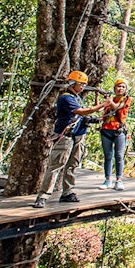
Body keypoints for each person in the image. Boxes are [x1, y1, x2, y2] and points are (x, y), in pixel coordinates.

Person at [33, 70, 109, 208]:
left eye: (84, 84)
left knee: (72, 165)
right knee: (56, 165)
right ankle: (43, 195)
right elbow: (81, 112)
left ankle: (67, 192)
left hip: (78, 135)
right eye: (81, 84)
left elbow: (85, 113)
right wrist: (103, 104)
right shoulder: (66, 98)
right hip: (66, 136)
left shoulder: (77, 98)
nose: (82, 87)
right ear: (73, 83)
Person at [99, 78, 131, 190]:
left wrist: (108, 100)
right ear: (114, 88)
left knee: (119, 156)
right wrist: (98, 96)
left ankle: (119, 180)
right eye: (118, 86)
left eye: (123, 87)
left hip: (119, 130)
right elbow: (99, 108)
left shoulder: (126, 99)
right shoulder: (110, 99)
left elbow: (117, 107)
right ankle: (107, 179)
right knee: (108, 156)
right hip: (106, 129)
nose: (120, 88)